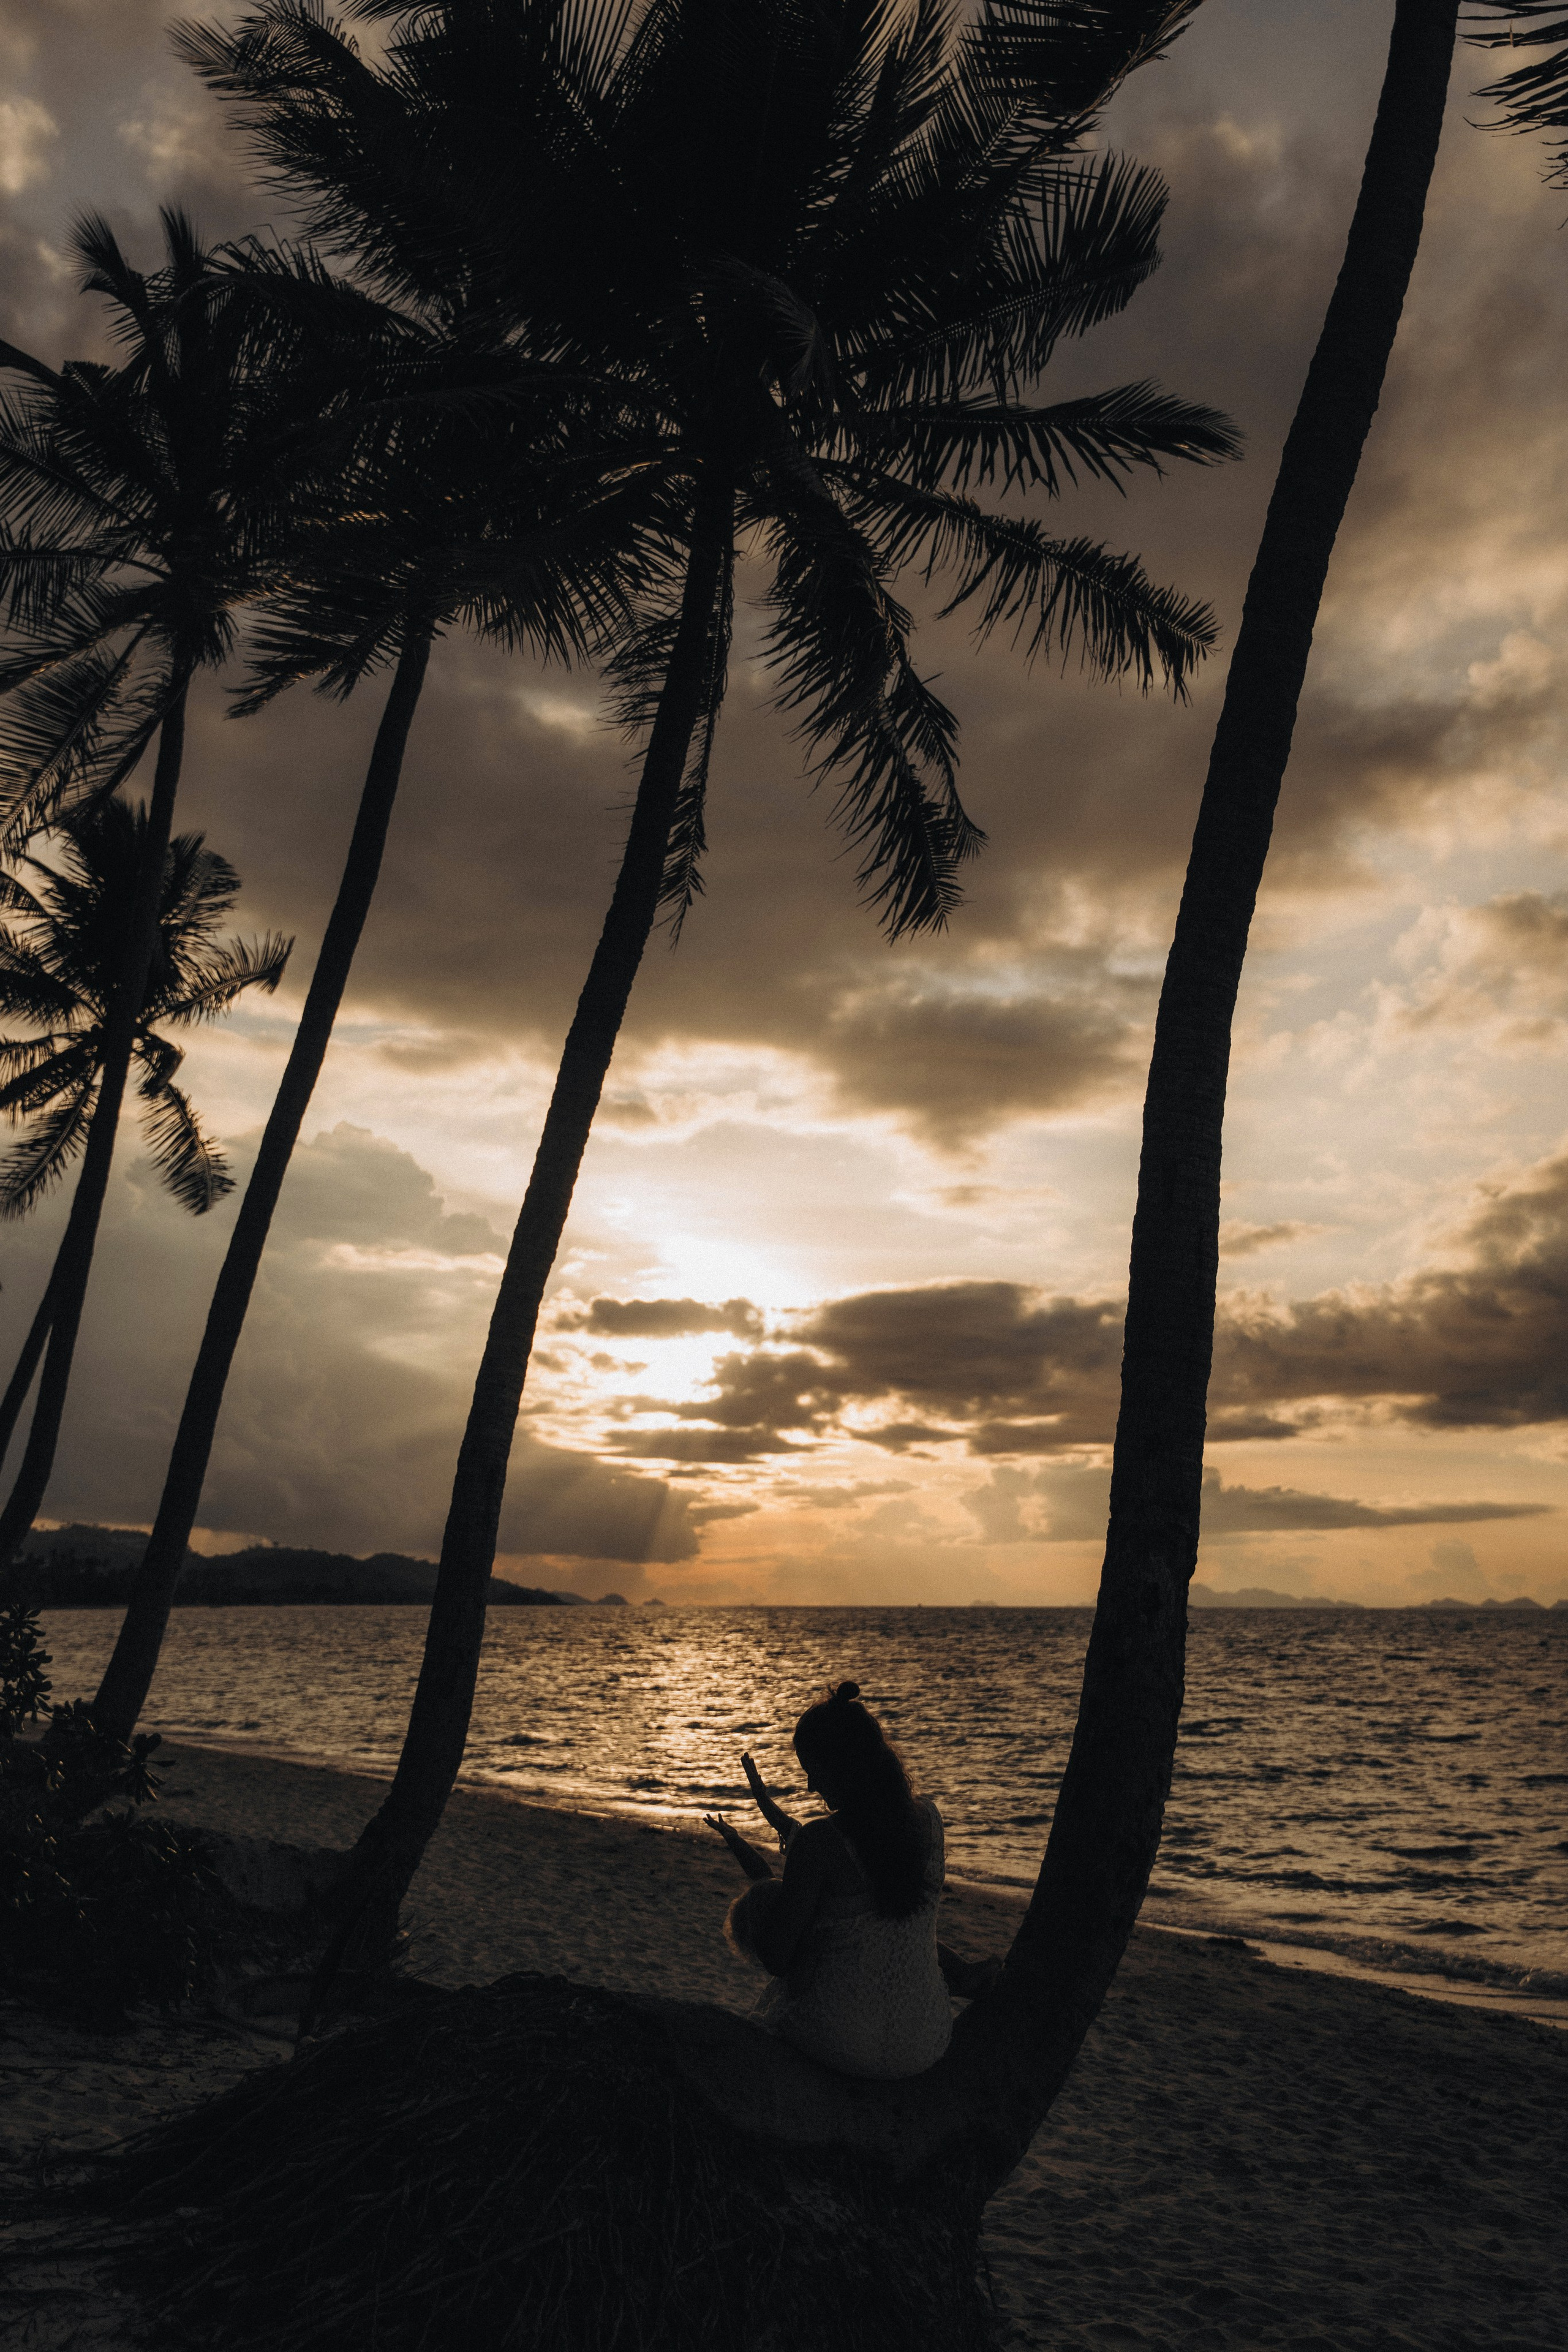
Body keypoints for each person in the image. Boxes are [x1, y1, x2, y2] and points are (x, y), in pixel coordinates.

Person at [703, 1679, 999, 2082]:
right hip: (926, 2040)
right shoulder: (929, 1820)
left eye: (815, 1771)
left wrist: (766, 1905)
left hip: (841, 2040)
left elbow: (777, 1959)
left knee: (771, 2005)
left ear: (842, 1766)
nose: (811, 1785)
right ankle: (963, 1976)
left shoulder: (819, 1841)